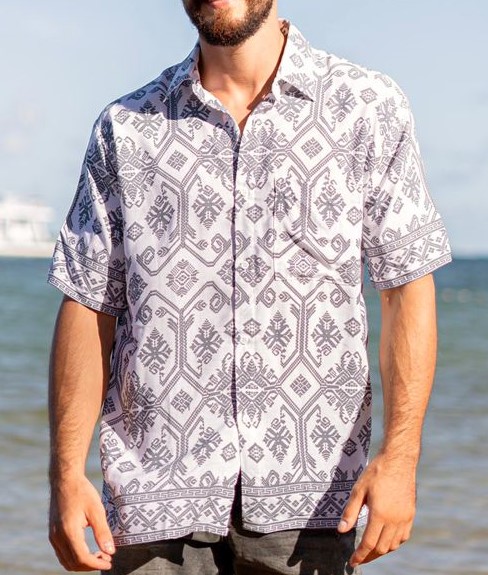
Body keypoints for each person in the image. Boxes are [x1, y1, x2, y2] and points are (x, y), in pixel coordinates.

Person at [47, 1, 452, 573]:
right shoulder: (126, 128)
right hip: (152, 499)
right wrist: (66, 475)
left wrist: (400, 458)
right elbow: (90, 303)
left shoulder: (368, 108)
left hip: (312, 501)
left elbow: (407, 289)